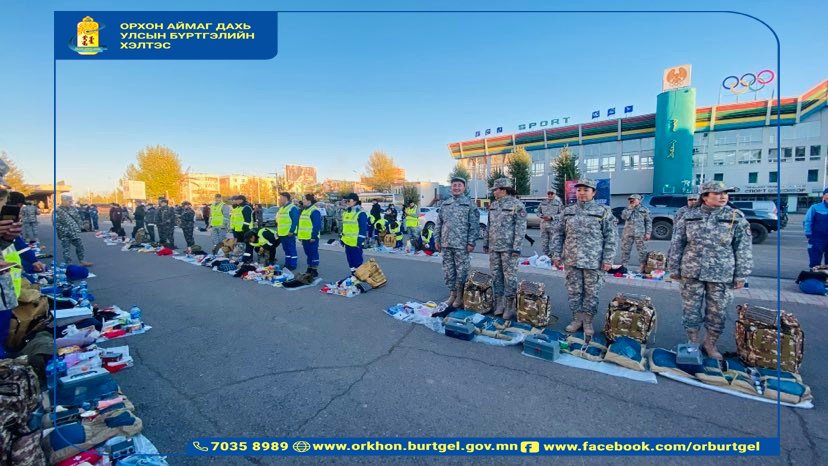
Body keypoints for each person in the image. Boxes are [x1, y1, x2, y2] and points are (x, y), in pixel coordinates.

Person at [668, 181, 753, 360]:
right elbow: (677, 243)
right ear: (705, 197)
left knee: (717, 312)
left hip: (721, 273)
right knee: (690, 310)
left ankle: (710, 343)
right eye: (717, 193)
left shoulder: (735, 216)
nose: (723, 196)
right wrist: (673, 268)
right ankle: (692, 342)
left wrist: (741, 275)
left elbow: (743, 247)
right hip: (692, 271)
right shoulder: (689, 216)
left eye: (725, 193)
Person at [551, 179, 617, 339]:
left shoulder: (603, 211)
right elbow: (558, 233)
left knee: (591, 293)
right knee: (574, 291)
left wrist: (608, 258)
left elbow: (611, 236)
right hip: (571, 260)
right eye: (579, 190)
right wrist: (556, 254)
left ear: (593, 192)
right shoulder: (568, 211)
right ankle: (576, 319)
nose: (581, 193)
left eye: (585, 190)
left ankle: (588, 321)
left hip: (593, 261)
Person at [483, 178, 527, 319]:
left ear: (503, 190)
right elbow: (489, 226)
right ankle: (499, 303)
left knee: (510, 277)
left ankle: (509, 306)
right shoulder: (494, 205)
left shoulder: (517, 205)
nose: (494, 192)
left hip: (509, 249)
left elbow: (520, 229)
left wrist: (517, 248)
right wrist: (486, 243)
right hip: (494, 247)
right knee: (496, 275)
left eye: (495, 189)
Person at [434, 176, 479, 307]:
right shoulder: (445, 204)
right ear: (451, 187)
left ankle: (460, 296)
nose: (456, 187)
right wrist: (437, 240)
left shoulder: (469, 204)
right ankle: (452, 294)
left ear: (464, 188)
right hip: (446, 244)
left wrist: (471, 242)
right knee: (448, 271)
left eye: (459, 185)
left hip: (462, 245)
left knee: (462, 272)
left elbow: (474, 225)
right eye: (454, 185)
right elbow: (439, 224)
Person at [54, 194, 93, 266]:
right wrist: (65, 230)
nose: (71, 202)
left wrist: (82, 226)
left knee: (80, 246)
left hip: (74, 232)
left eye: (71, 201)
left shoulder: (73, 208)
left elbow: (78, 218)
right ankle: (68, 263)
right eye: (69, 201)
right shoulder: (57, 211)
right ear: (63, 201)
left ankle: (82, 260)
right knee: (66, 249)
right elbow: (56, 224)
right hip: (64, 234)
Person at [619, 194, 652, 271]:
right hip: (628, 233)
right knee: (625, 250)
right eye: (630, 199)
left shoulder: (645, 209)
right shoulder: (627, 209)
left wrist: (648, 233)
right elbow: (624, 217)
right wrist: (630, 208)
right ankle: (624, 266)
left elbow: (648, 222)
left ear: (639, 200)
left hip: (640, 233)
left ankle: (642, 266)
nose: (632, 200)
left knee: (642, 250)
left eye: (634, 199)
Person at [341, 193, 368, 272]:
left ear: (355, 201)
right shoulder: (346, 212)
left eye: (349, 200)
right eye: (346, 201)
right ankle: (353, 277)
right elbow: (345, 227)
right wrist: (342, 238)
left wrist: (360, 241)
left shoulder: (360, 213)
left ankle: (358, 279)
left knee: (357, 263)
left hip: (356, 243)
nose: (347, 202)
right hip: (347, 242)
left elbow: (363, 229)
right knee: (350, 262)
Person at [298, 194, 322, 277]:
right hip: (305, 237)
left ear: (309, 201)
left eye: (304, 199)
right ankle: (309, 268)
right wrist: (300, 236)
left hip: (311, 238)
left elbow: (317, 225)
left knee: (313, 253)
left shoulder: (314, 211)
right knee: (308, 254)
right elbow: (302, 225)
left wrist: (313, 236)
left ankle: (314, 270)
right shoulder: (304, 210)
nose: (302, 201)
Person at [804, 188, 828, 267]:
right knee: (815, 263)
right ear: (824, 196)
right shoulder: (815, 207)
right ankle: (814, 278)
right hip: (817, 240)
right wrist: (808, 235)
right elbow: (807, 221)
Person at [276, 193, 299, 270]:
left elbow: (295, 221)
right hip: (282, 233)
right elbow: (279, 221)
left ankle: (292, 264)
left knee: (291, 249)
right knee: (286, 249)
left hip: (289, 233)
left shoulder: (292, 208)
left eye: (281, 198)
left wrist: (291, 231)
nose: (279, 199)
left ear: (286, 198)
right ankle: (287, 264)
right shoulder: (281, 208)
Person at [538, 189, 563, 257]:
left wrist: (552, 217)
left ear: (554, 194)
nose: (550, 195)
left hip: (554, 226)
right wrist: (542, 216)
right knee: (544, 243)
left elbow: (562, 214)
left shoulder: (558, 203)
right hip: (544, 226)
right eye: (549, 194)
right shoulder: (543, 202)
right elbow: (538, 211)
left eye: (552, 194)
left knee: (554, 243)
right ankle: (546, 257)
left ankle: (553, 258)